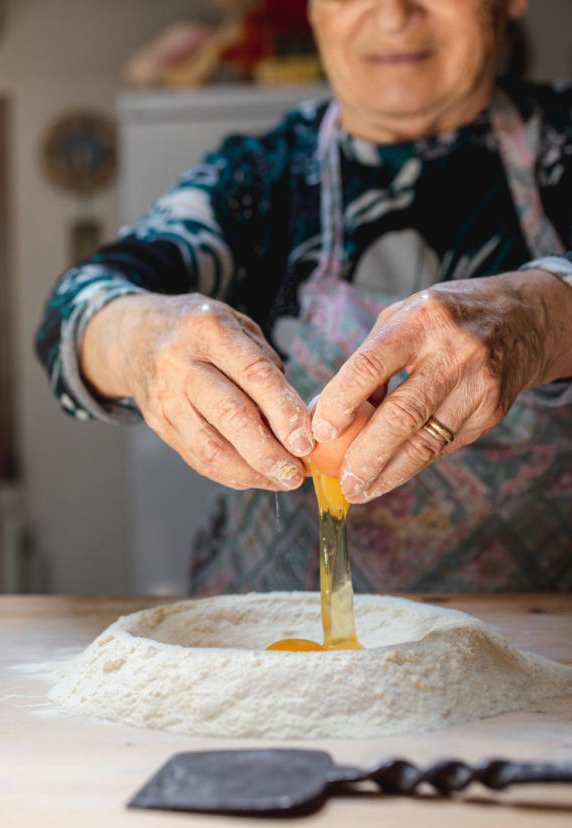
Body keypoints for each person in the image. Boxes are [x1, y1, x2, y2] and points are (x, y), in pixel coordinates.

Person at [35, 0, 572, 593]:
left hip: (539, 647)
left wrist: (544, 317)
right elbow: (73, 311)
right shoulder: (260, 179)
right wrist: (143, 341)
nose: (394, 15)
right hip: (269, 649)